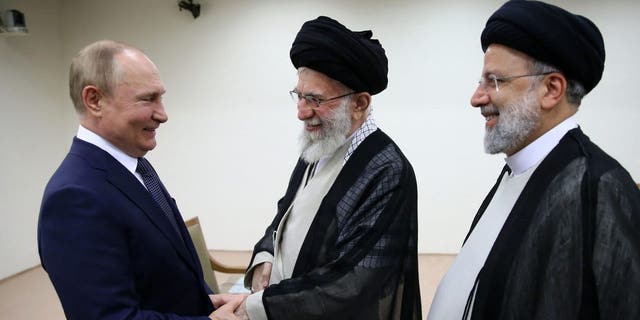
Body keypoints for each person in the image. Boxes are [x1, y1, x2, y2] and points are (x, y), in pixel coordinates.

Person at [428, 1, 640, 319]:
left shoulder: (598, 187)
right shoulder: (517, 170)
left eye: (495, 81)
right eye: (481, 81)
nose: (477, 98)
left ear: (551, 89)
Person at [37, 40, 243, 320]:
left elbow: (157, 275)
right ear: (94, 100)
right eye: (148, 99)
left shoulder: (135, 166)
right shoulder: (74, 198)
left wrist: (205, 302)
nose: (163, 114)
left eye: (161, 97)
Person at [233, 16, 421, 320]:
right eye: (299, 95)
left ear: (359, 103)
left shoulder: (387, 170)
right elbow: (285, 214)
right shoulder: (319, 144)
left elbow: (353, 282)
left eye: (315, 100)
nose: (301, 112)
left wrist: (256, 308)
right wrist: (266, 256)